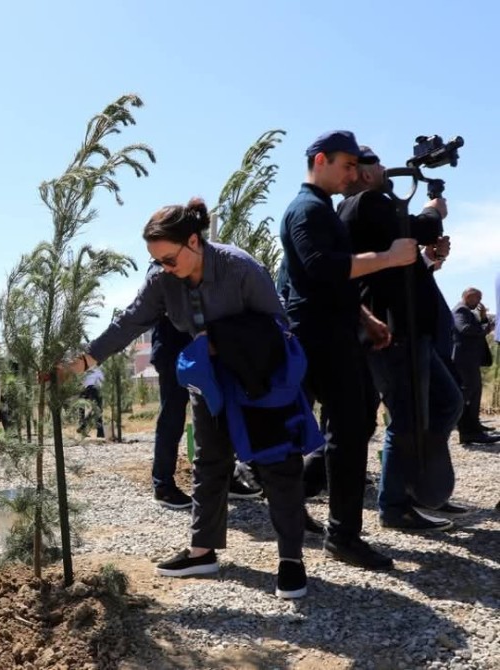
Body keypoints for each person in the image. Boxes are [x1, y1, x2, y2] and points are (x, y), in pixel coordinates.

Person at [61, 197, 315, 600]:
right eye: (157, 261)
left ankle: (291, 562)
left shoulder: (239, 267)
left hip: (257, 379)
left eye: (169, 258)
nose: (164, 268)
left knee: (277, 464)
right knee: (210, 462)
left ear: (194, 241)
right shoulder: (164, 281)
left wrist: (225, 341)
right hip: (208, 381)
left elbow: (278, 323)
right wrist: (82, 361)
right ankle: (202, 552)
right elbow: (130, 321)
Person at [278, 130, 419, 571]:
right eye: (346, 165)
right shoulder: (306, 210)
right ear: (321, 160)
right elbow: (324, 269)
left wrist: (365, 317)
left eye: (357, 167)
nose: (353, 174)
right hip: (320, 337)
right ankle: (341, 534)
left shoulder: (321, 210)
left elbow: (326, 279)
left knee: (355, 428)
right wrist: (389, 257)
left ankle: (333, 525)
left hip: (337, 331)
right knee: (345, 432)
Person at [340, 145, 462, 532]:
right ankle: (395, 506)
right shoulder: (366, 202)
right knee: (406, 420)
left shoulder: (371, 208)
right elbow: (414, 227)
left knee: (446, 404)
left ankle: (420, 484)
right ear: (362, 172)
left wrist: (427, 258)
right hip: (393, 333)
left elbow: (399, 257)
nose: (384, 168)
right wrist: (435, 210)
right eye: (376, 162)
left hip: (409, 330)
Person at [150, 313, 262, 509]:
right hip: (174, 347)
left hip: (205, 348)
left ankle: (225, 478)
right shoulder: (165, 283)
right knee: (172, 417)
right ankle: (163, 485)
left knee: (217, 413)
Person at [452, 288, 500, 444]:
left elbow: (476, 328)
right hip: (464, 361)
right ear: (468, 296)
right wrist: (486, 329)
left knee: (475, 393)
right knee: (468, 394)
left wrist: (484, 317)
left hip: (470, 361)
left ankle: (474, 427)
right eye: (477, 298)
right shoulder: (461, 310)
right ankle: (468, 431)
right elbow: (464, 329)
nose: (479, 302)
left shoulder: (467, 311)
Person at [78, 364, 105, 438]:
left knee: (81, 410)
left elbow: (80, 380)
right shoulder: (99, 369)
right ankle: (100, 432)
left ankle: (82, 427)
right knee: (97, 410)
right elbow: (102, 381)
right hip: (94, 389)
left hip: (83, 389)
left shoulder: (84, 368)